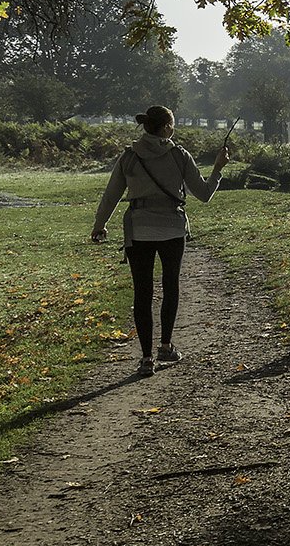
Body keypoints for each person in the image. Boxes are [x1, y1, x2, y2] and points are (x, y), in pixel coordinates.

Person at [91, 106, 230, 377]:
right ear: (165, 127)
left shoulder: (129, 157)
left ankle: (145, 358)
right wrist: (217, 168)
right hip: (172, 229)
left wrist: (100, 225)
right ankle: (166, 346)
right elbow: (203, 194)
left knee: (141, 293)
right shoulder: (179, 156)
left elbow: (111, 195)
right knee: (170, 286)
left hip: (139, 230)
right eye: (173, 124)